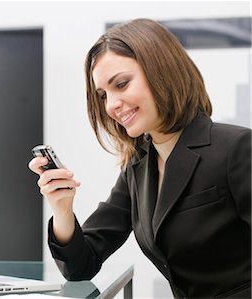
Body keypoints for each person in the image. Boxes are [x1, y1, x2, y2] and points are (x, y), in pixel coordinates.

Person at [28, 18, 251, 298]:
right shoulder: (138, 167)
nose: (111, 105)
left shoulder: (237, 147)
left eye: (121, 84)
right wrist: (61, 207)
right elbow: (80, 266)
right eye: (102, 95)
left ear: (163, 72)